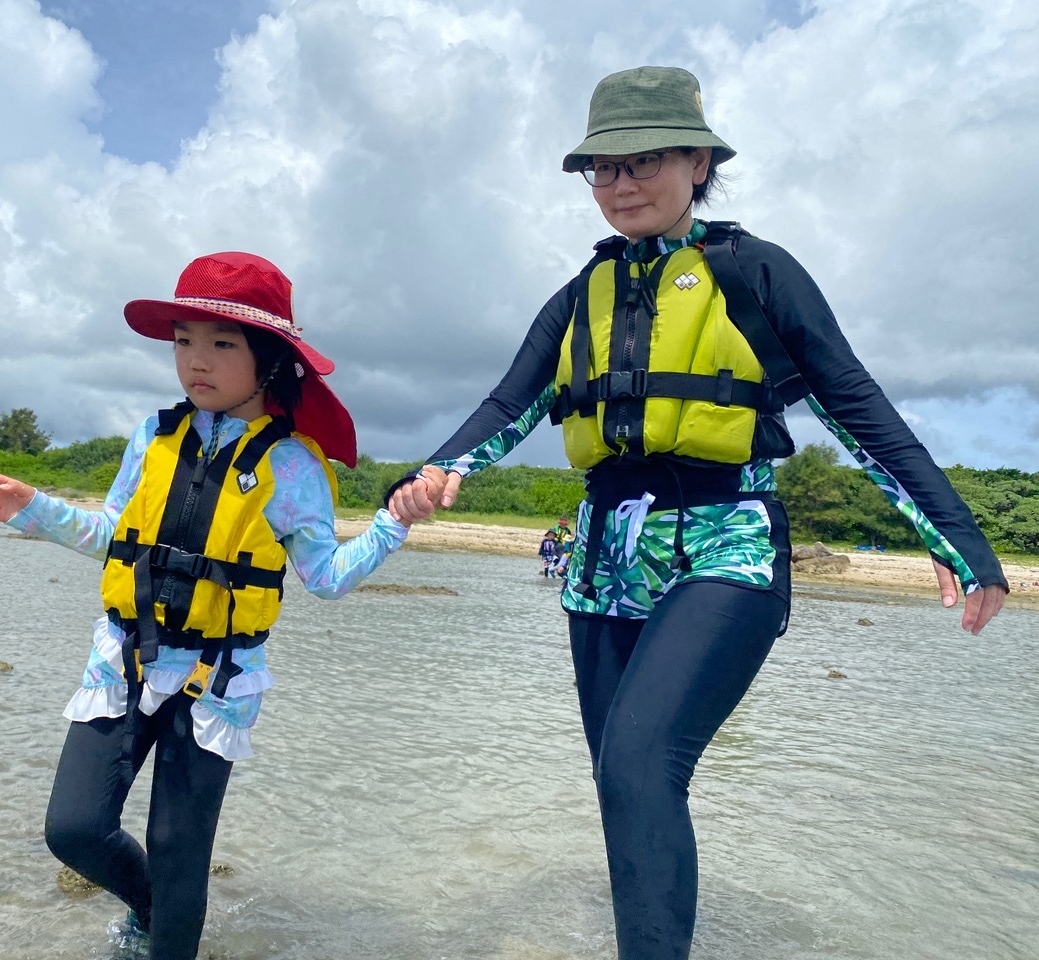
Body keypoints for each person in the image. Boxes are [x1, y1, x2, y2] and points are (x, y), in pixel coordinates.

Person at [387, 66, 1008, 960]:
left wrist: (958, 537)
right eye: (601, 168)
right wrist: (434, 471)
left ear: (699, 162)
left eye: (644, 160)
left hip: (729, 543)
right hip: (604, 559)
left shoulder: (756, 274)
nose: (620, 183)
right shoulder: (578, 298)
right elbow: (507, 405)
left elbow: (858, 408)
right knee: (620, 780)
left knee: (642, 763)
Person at [0, 252, 427, 960]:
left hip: (217, 681)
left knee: (179, 849)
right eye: (184, 340)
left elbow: (327, 578)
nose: (196, 361)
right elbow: (114, 538)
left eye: (220, 343)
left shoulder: (293, 466)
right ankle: (153, 910)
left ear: (268, 357)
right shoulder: (152, 438)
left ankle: (169, 924)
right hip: (122, 661)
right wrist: (34, 510)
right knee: (75, 829)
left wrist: (394, 524)